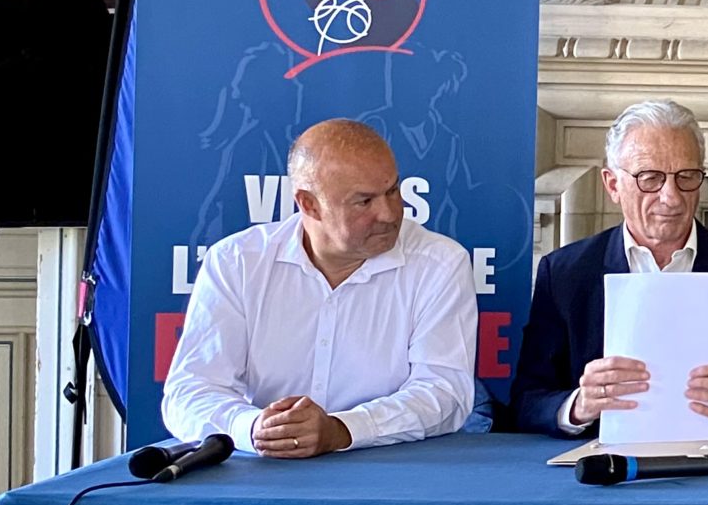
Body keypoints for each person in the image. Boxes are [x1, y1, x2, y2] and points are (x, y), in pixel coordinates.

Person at [162, 118, 476, 457]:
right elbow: (190, 391)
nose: (388, 214)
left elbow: (445, 392)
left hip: (394, 470)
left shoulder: (439, 263)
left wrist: (343, 430)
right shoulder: (237, 262)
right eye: (364, 201)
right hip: (263, 470)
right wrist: (254, 428)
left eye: (392, 191)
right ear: (309, 204)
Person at [509, 99, 708, 436]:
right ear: (613, 185)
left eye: (687, 177)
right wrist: (579, 405)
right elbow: (527, 403)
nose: (671, 197)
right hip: (603, 461)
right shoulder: (565, 273)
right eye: (650, 179)